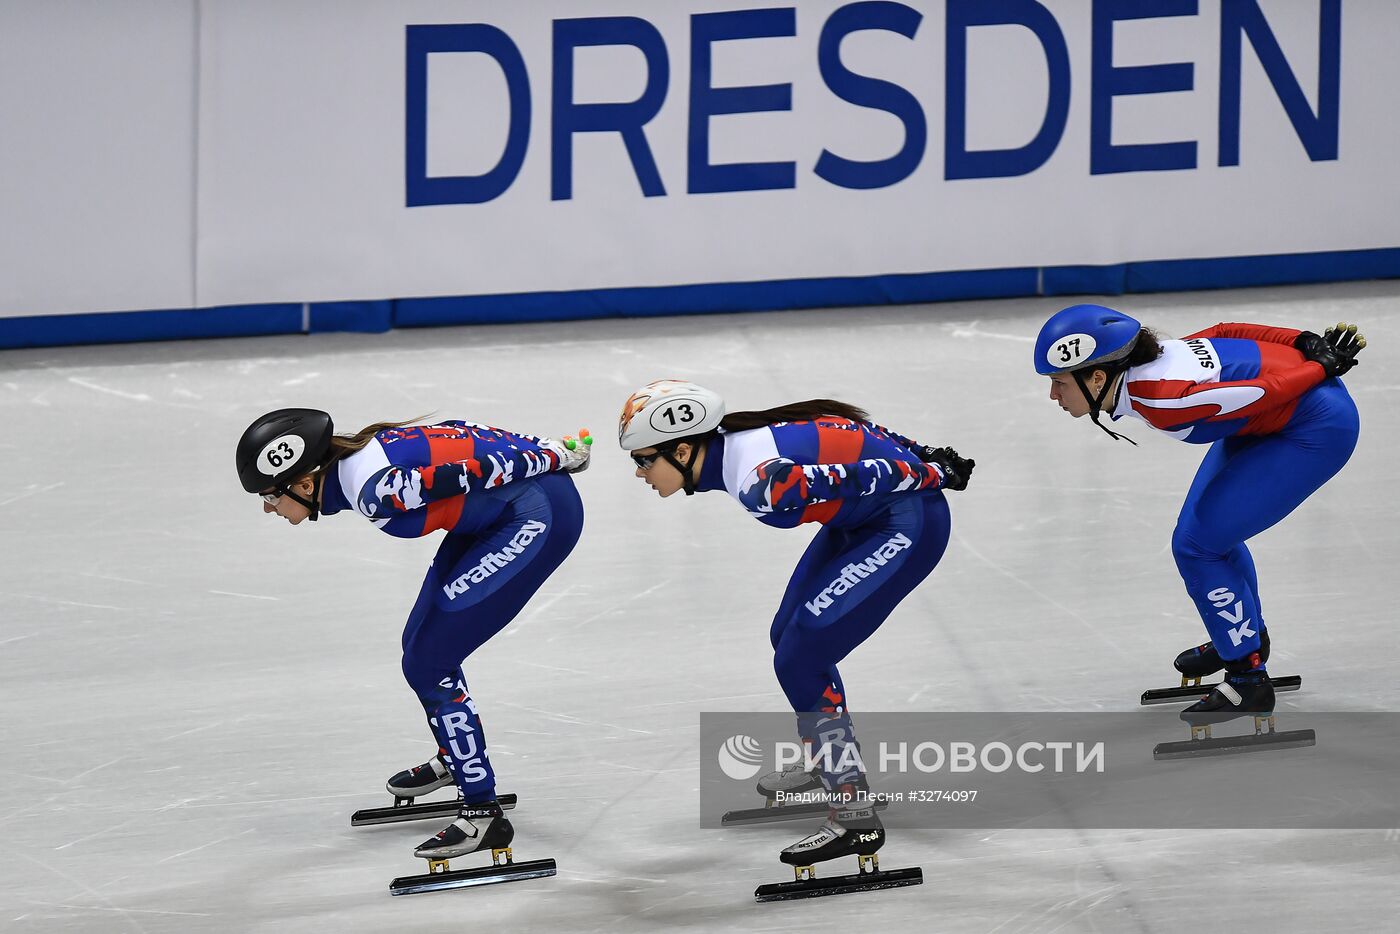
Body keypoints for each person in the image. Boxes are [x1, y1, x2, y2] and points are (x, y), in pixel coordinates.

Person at [616, 379, 974, 870]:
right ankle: (827, 757)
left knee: (802, 657)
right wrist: (923, 453)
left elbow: (864, 473)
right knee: (786, 636)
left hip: (906, 522)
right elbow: (850, 428)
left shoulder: (757, 483)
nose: (638, 472)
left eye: (642, 459)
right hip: (864, 519)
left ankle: (854, 817)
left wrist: (929, 470)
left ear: (682, 449)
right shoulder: (742, 446)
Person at [235, 409, 590, 863]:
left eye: (269, 496)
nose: (269, 508)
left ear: (304, 484)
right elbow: (465, 433)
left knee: (428, 662)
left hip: (537, 514)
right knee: (418, 644)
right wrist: (542, 446)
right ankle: (457, 754)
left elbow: (476, 467)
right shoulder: (361, 464)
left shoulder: (376, 493)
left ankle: (483, 813)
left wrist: (548, 454)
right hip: (493, 515)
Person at [1033, 304, 1365, 722]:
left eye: (1059, 383)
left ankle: (1247, 679)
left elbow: (1266, 392)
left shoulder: (1161, 400)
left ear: (1098, 377)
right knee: (1202, 537)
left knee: (1199, 547)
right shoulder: (1161, 355)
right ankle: (1244, 638)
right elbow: (1230, 329)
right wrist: (1302, 341)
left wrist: (1319, 365)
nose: (1053, 395)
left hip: (1314, 426)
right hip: (1266, 421)